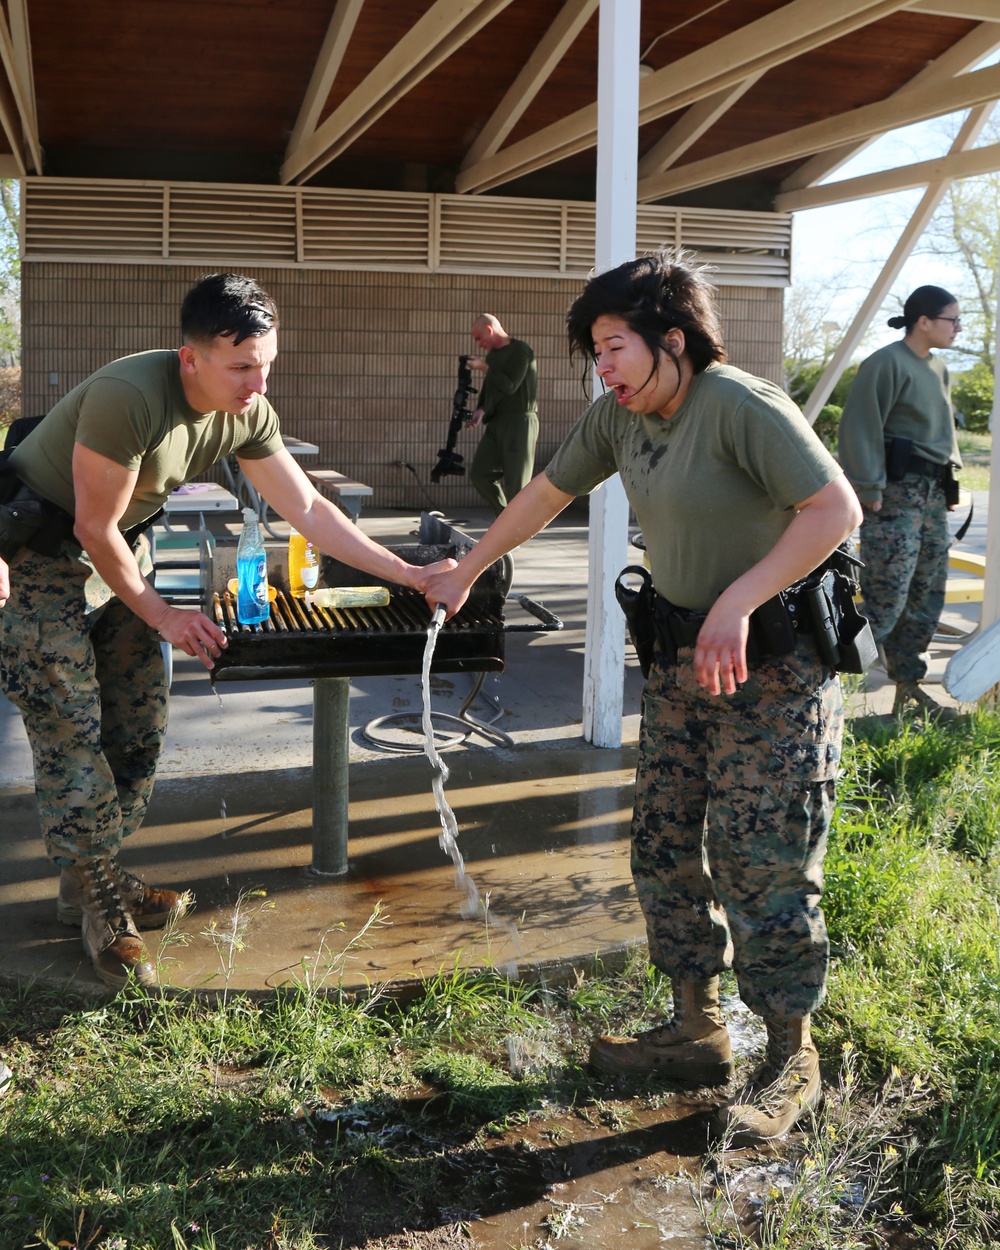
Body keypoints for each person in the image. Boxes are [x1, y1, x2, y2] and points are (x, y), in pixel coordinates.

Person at [425, 253, 862, 1144]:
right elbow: (547, 493)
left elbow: (834, 509)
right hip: (679, 669)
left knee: (762, 863)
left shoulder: (741, 406)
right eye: (594, 351)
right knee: (663, 846)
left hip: (770, 673)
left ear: (673, 339)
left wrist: (739, 601)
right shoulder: (619, 420)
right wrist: (466, 569)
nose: (604, 367)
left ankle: (792, 1058)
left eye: (614, 346)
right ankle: (696, 1029)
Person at [0, 272, 455, 990]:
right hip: (41, 558)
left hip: (122, 554)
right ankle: (100, 906)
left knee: (138, 725)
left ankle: (88, 878)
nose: (256, 382)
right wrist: (164, 613)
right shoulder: (132, 395)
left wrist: (408, 572)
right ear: (192, 359)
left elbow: (307, 508)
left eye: (266, 364)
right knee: (69, 726)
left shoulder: (248, 411)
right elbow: (92, 525)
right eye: (241, 366)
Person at [837, 285, 962, 717]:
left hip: (929, 497)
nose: (958, 328)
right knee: (885, 598)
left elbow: (943, 435)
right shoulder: (886, 363)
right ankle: (823, 688)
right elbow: (859, 425)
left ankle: (908, 691)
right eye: (952, 319)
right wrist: (869, 486)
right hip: (893, 495)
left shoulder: (940, 368)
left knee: (926, 596)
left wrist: (948, 490)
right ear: (923, 321)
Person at [466, 314, 538, 515]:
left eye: (479, 338)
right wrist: (481, 409)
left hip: (520, 421)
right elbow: (492, 388)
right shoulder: (493, 356)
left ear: (489, 330)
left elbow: (509, 385)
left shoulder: (520, 351)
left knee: (517, 484)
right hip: (497, 420)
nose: (479, 345)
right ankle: (505, 519)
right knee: (480, 473)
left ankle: (516, 531)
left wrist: (483, 367)